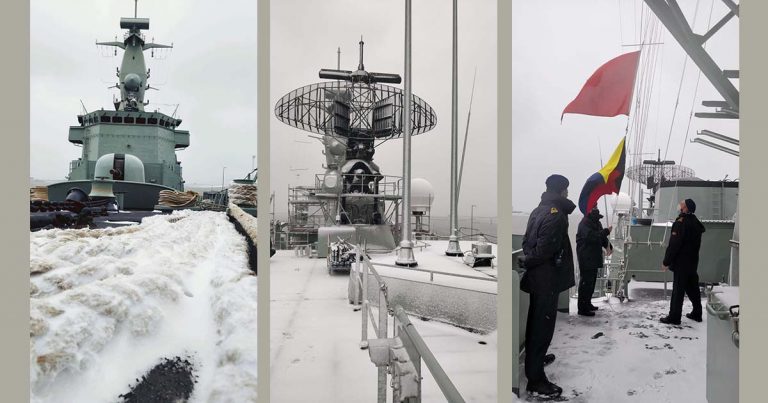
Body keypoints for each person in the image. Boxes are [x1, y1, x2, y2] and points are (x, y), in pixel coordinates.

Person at [520, 174, 577, 399]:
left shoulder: (537, 210)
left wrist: (528, 259)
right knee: (543, 327)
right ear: (562, 191)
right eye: (567, 191)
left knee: (535, 322)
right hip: (546, 279)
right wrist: (533, 260)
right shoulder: (557, 215)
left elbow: (526, 243)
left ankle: (536, 359)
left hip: (536, 277)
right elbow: (546, 250)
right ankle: (536, 379)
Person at [659, 198, 706, 325]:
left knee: (678, 290)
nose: (679, 204)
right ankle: (697, 313)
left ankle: (674, 317)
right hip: (692, 262)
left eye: (682, 203)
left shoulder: (681, 222)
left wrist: (666, 261)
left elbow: (674, 244)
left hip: (681, 263)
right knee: (692, 288)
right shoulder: (695, 222)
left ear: (685, 208)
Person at [575, 207, 613, 316]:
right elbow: (591, 237)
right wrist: (606, 231)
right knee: (585, 283)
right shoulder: (584, 223)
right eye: (594, 205)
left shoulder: (596, 222)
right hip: (586, 257)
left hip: (594, 257)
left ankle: (587, 303)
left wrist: (608, 246)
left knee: (591, 283)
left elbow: (601, 238)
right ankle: (582, 308)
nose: (596, 207)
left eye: (596, 205)